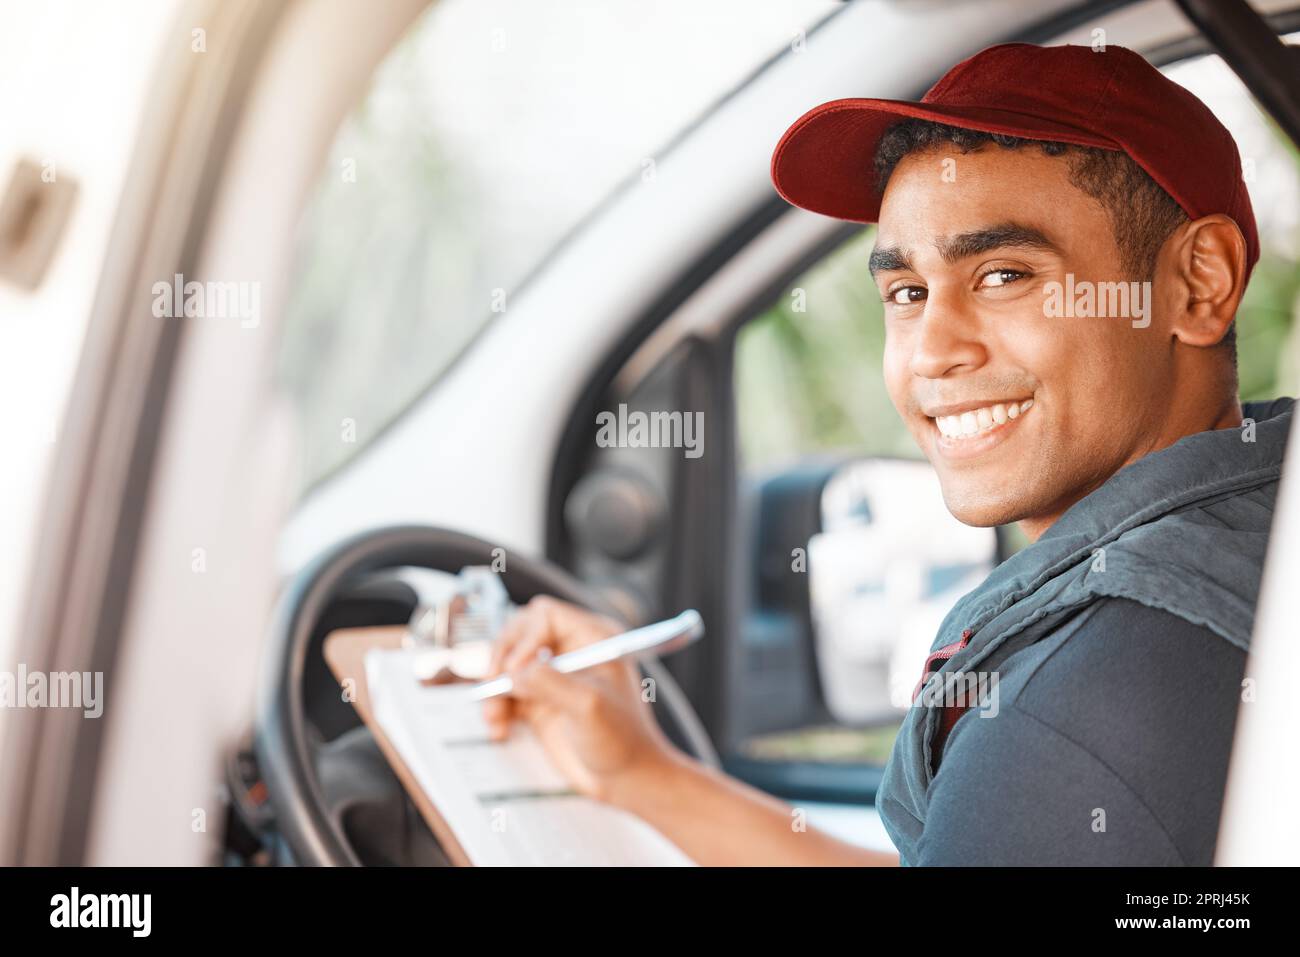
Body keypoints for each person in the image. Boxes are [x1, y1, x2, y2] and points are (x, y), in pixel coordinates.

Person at [481, 43, 1294, 865]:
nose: (930, 352)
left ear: (1198, 283)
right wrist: (643, 772)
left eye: (1004, 273)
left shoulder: (1074, 705)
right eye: (907, 294)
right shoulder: (1264, 517)